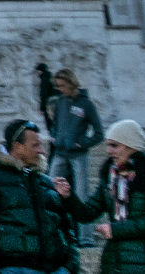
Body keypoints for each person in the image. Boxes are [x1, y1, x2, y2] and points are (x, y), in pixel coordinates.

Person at [57, 119, 145, 274]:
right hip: (116, 262)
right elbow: (88, 213)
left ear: (131, 146)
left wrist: (116, 230)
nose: (108, 151)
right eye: (108, 145)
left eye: (114, 145)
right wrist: (68, 196)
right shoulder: (110, 178)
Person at [0, 119, 77, 274]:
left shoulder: (46, 182)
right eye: (35, 145)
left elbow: (66, 227)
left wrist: (70, 267)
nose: (42, 151)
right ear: (17, 147)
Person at [46, 68, 102, 244]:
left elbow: (99, 133)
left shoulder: (87, 104)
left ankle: (86, 238)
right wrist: (55, 136)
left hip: (78, 155)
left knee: (81, 193)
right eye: (58, 86)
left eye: (62, 85)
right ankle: (51, 233)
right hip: (60, 153)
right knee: (49, 188)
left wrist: (82, 142)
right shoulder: (60, 101)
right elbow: (56, 123)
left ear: (71, 83)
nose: (60, 89)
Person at [38, 61, 59, 131]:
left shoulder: (44, 80)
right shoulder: (51, 78)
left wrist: (42, 108)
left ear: (40, 71)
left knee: (49, 123)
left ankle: (53, 139)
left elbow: (43, 95)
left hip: (48, 104)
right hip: (55, 103)